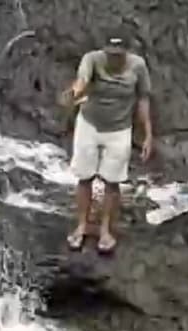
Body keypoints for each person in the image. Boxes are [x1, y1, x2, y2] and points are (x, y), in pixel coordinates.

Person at [62, 32, 154, 253]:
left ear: (126, 52)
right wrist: (74, 92)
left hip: (119, 130)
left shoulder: (138, 66)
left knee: (112, 182)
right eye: (110, 53)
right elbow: (82, 80)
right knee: (85, 177)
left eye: (118, 54)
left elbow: (143, 98)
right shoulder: (92, 59)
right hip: (89, 125)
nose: (113, 58)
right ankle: (82, 226)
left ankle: (105, 231)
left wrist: (148, 134)